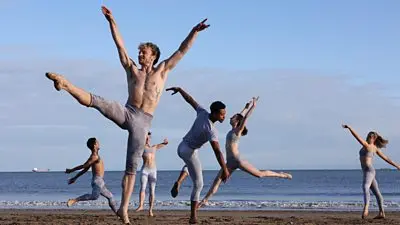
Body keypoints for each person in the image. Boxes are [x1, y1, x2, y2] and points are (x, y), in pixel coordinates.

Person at [45, 5, 209, 224]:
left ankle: (123, 209)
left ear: (153, 56)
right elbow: (120, 45)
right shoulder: (131, 69)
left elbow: (181, 51)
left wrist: (194, 32)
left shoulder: (162, 71)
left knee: (131, 167)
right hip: (126, 111)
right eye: (139, 51)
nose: (139, 54)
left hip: (143, 122)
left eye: (144, 52)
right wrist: (112, 21)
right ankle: (65, 84)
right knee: (96, 101)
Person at [199, 97, 292, 208]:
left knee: (259, 175)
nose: (230, 117)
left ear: (237, 121)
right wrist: (245, 107)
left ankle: (281, 175)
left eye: (232, 117)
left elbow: (245, 117)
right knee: (217, 181)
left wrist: (253, 107)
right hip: (229, 163)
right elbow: (241, 115)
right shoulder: (232, 129)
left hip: (238, 160)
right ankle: (204, 201)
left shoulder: (238, 131)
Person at [166, 86, 230, 224]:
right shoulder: (212, 131)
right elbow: (217, 152)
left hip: (182, 147)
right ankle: (193, 216)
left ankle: (179, 181)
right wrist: (225, 169)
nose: (224, 116)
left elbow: (190, 100)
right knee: (199, 184)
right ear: (214, 113)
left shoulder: (202, 112)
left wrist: (180, 90)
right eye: (221, 114)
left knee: (190, 164)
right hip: (189, 150)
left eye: (224, 113)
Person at [342, 124, 400, 219]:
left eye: (370, 136)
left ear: (373, 138)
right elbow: (387, 159)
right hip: (369, 172)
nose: (368, 137)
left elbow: (357, 137)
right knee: (377, 193)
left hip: (369, 170)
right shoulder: (374, 148)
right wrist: (397, 165)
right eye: (368, 136)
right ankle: (382, 213)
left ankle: (366, 208)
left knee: (365, 187)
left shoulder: (367, 146)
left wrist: (350, 128)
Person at [65, 137, 117, 214]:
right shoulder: (94, 157)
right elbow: (83, 166)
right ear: (95, 144)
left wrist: (75, 178)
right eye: (98, 142)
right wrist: (71, 170)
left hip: (100, 182)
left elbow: (85, 169)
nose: (99, 144)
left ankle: (118, 214)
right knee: (94, 196)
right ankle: (74, 200)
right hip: (97, 181)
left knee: (110, 197)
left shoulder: (95, 156)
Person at [135, 131, 168, 216]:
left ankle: (150, 210)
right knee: (143, 187)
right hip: (145, 170)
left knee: (152, 191)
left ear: (149, 138)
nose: (147, 138)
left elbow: (162, 144)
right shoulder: (141, 147)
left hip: (153, 171)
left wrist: (165, 142)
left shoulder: (154, 147)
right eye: (145, 137)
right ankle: (141, 205)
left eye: (148, 137)